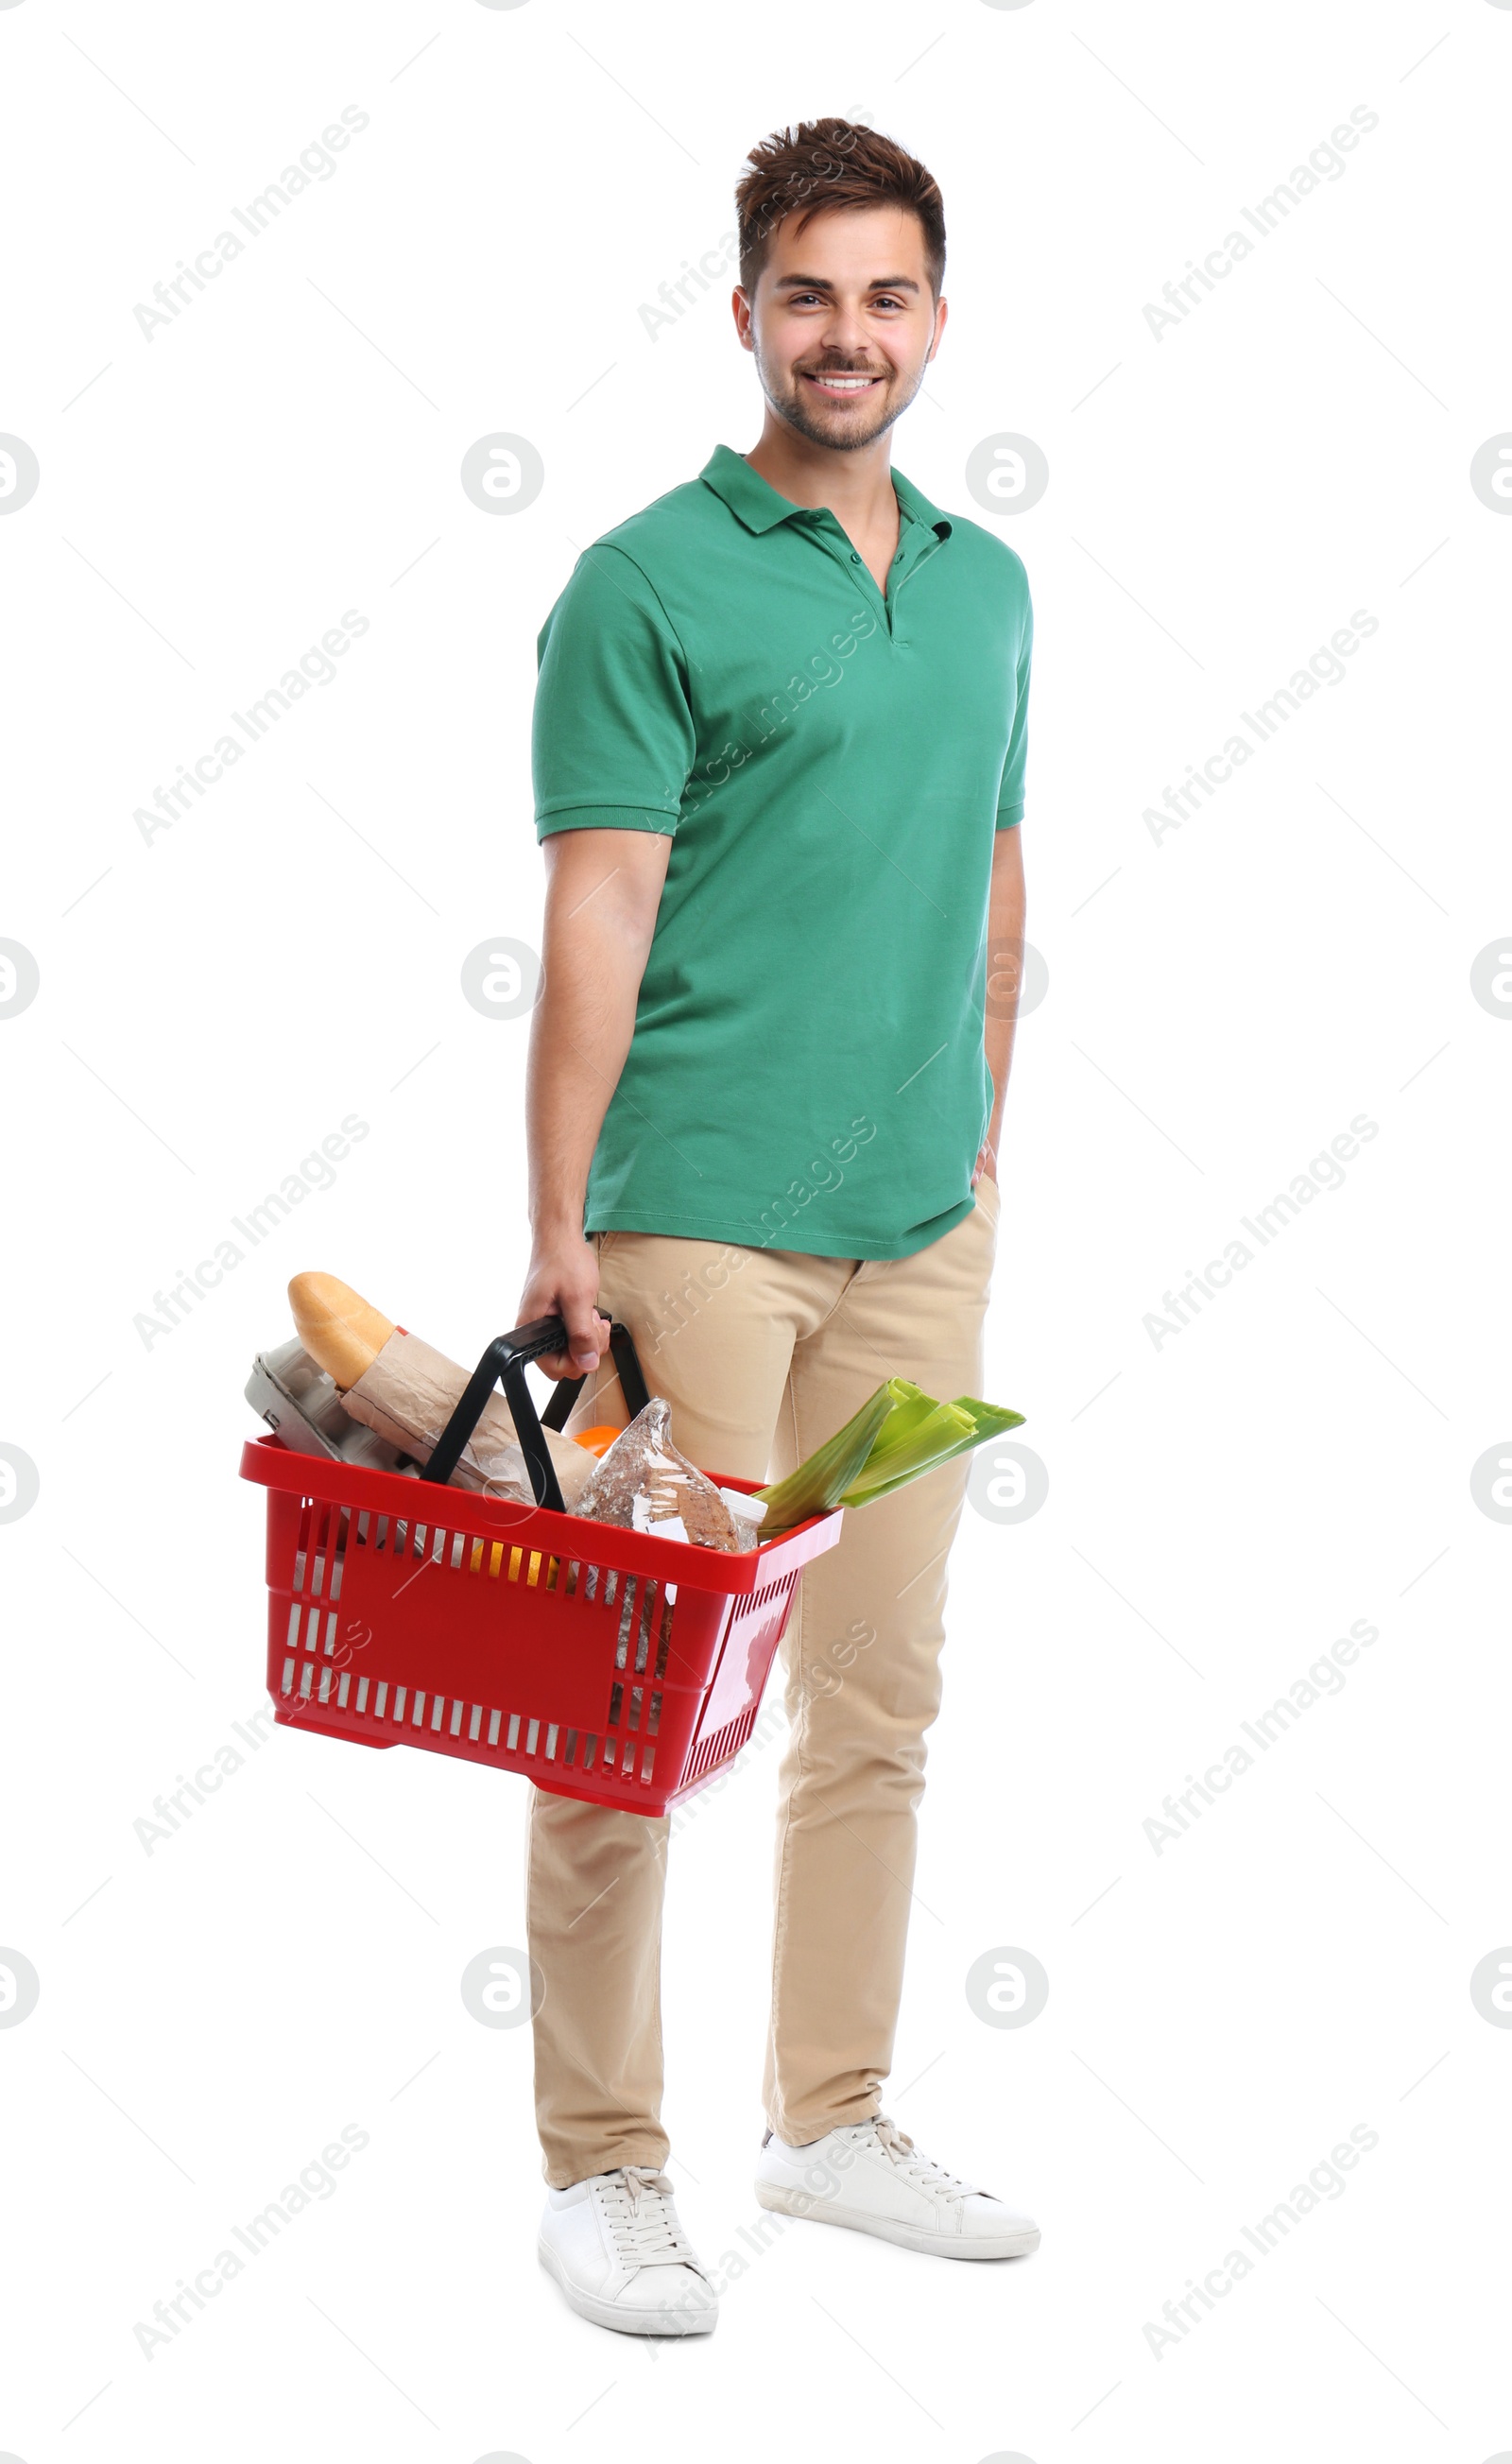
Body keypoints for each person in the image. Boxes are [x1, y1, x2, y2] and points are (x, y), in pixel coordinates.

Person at [519, 116, 1038, 2337]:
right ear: (744, 313)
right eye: (808, 294)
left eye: (887, 294)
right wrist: (559, 1221)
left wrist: (981, 1139)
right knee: (625, 1701)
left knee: (878, 1696)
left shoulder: (988, 581)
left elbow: (995, 885)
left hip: (915, 1220)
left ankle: (824, 2117)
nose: (849, 334)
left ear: (934, 318)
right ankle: (601, 2164)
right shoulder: (646, 577)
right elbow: (598, 909)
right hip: (700, 1223)